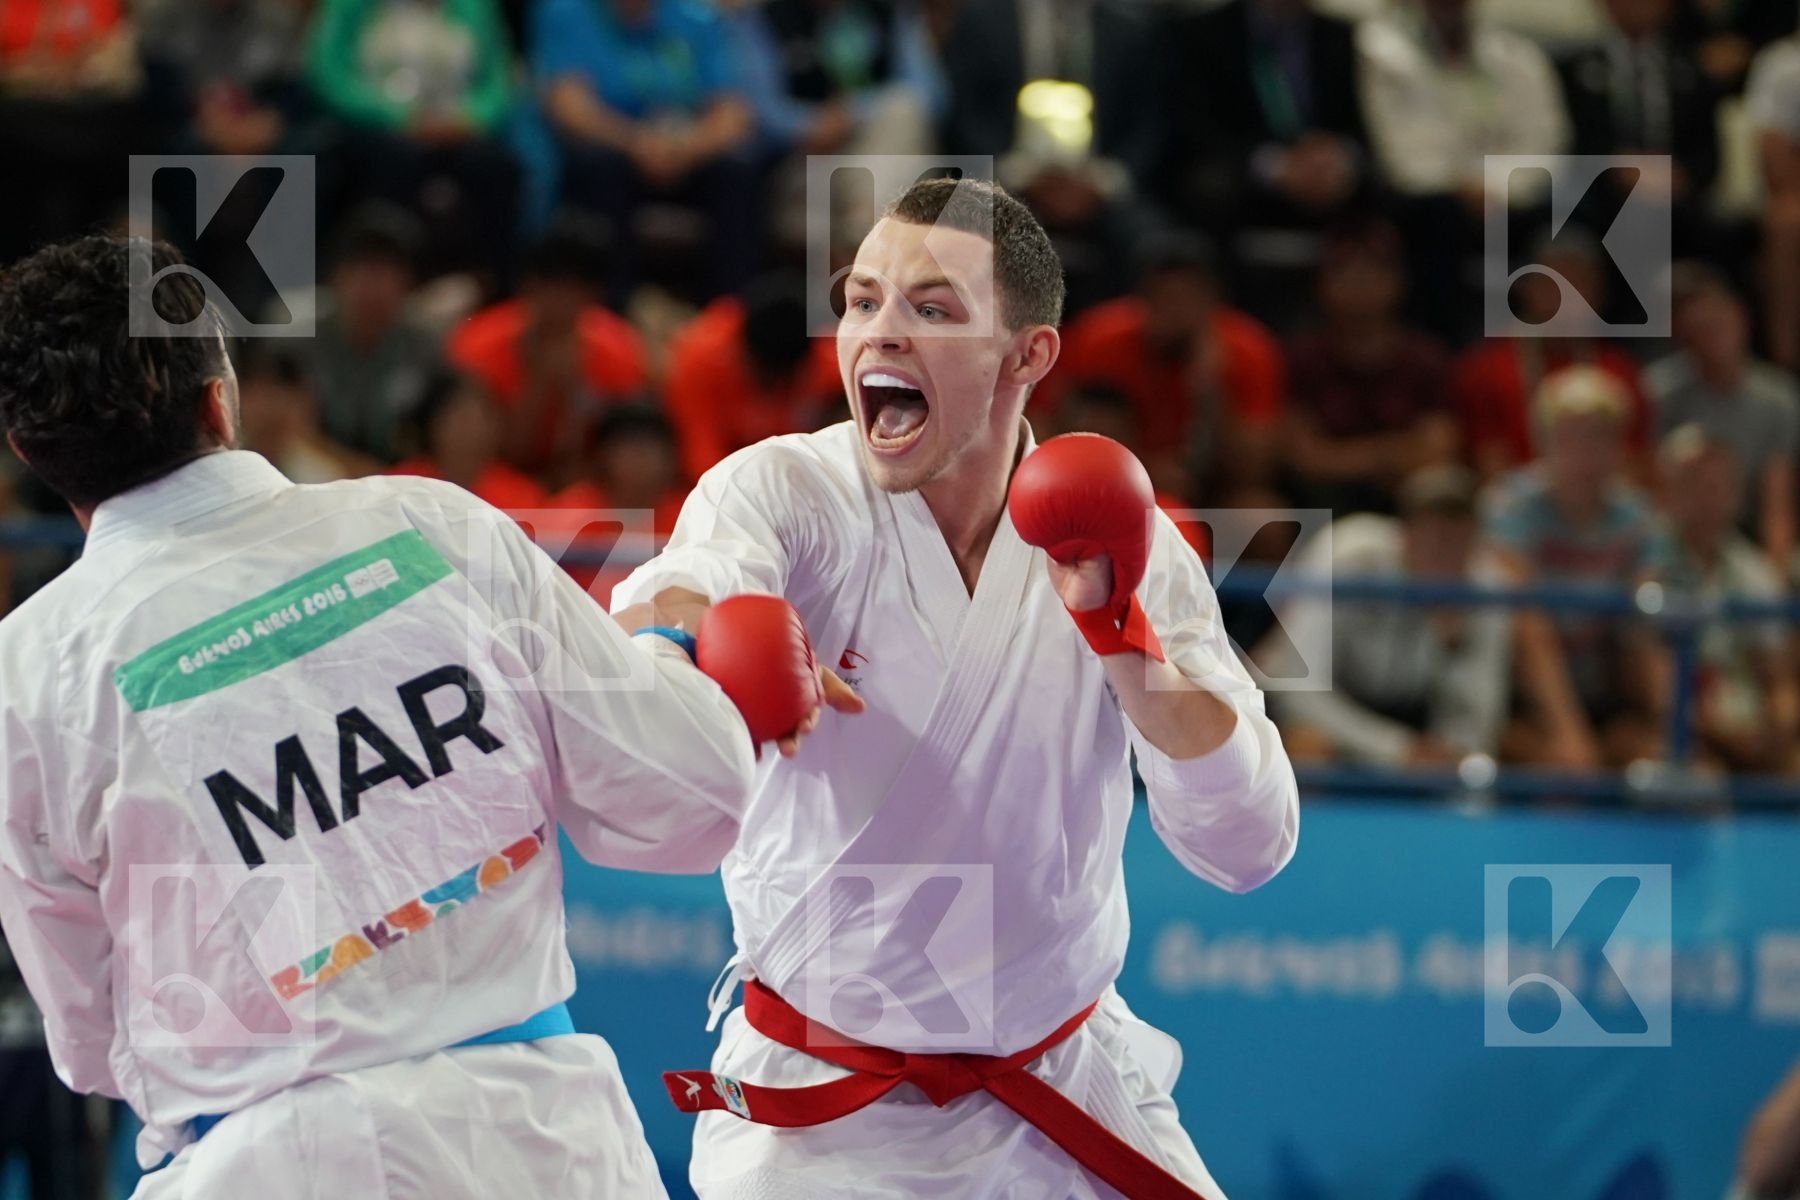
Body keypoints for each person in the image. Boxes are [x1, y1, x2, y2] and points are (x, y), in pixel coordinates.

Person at [0, 236, 821, 1197]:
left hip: (252, 1161)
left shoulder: (28, 678)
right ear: (218, 396)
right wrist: (668, 645)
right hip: (539, 1146)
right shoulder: (433, 528)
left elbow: (92, 1044)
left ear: (29, 449)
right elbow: (686, 795)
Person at [612, 177, 1297, 1198]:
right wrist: (703, 654)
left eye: (932, 310)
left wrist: (1123, 639)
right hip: (823, 1120)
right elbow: (674, 595)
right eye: (862, 301)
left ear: (1028, 356)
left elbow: (1249, 848)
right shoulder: (787, 493)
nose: (880, 335)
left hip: (1064, 1086)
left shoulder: (1121, 533)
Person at [1265, 464, 1512, 767]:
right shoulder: (1347, 557)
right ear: (1404, 532)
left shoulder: (1485, 586)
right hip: (1326, 707)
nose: (1444, 547)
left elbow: (1479, 712)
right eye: (1433, 530)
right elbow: (1302, 690)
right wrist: (1397, 749)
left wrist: (1449, 751)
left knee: (1473, 766)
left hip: (1413, 717)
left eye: (1458, 533)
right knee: (1308, 745)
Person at [1483, 364, 1661, 770]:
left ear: (1620, 446)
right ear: (1544, 442)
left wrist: (1673, 727)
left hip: (1605, 687)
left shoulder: (1638, 518)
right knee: (1565, 770)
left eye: (1600, 436)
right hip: (1523, 696)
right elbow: (1528, 628)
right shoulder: (1510, 506)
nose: (1586, 453)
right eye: (1571, 436)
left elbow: (1645, 632)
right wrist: (1567, 728)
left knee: (1662, 764)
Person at [1030, 230, 1286, 504]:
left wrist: (1212, 389)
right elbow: (1042, 430)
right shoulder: (1097, 340)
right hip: (1111, 481)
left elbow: (1254, 471)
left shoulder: (1248, 350)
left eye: (1188, 296)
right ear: (1140, 297)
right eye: (1163, 295)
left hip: (1214, 492)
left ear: (1215, 298)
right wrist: (1145, 469)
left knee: (1261, 515)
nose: (1176, 309)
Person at [534, 0, 760, 304]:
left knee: (738, 169)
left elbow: (732, 111)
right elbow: (568, 105)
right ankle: (614, 310)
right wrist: (636, 143)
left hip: (685, 152)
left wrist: (688, 148)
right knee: (600, 167)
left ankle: (727, 312)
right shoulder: (567, 13)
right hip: (615, 148)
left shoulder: (698, 17)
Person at [306, 0, 523, 287]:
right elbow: (328, 71)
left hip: (455, 128)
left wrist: (470, 118)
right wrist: (398, 117)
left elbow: (498, 79)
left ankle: (491, 288)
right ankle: (378, 279)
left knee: (498, 168)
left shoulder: (475, 6)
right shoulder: (349, 6)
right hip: (375, 127)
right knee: (391, 160)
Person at [447, 216, 651, 487]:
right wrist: (538, 385)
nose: (561, 301)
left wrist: (573, 399)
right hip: (488, 486)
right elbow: (473, 453)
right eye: (552, 285)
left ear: (594, 294)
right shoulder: (477, 346)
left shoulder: (620, 352)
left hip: (586, 495)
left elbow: (618, 457)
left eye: (575, 288)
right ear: (528, 285)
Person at [1643, 425, 1798, 773]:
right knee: (1690, 774)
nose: (1710, 497)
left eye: (1721, 486)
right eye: (1695, 484)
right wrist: (1712, 732)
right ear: (1667, 492)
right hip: (1672, 726)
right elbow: (1647, 679)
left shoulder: (1754, 572)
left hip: (1745, 725)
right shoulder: (1646, 565)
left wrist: (1780, 726)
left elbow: (1779, 679)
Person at [1281, 220, 1457, 516]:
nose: (1359, 284)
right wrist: (1389, 454)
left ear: (1397, 282)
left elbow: (1439, 451)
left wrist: (1345, 457)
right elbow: (1304, 458)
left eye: (1372, 272)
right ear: (1323, 283)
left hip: (1406, 504)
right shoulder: (1301, 358)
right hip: (1318, 503)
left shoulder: (1426, 359)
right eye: (1346, 272)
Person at [1644, 262, 1799, 570]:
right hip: (1674, 534)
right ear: (1682, 336)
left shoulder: (1778, 397)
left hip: (1745, 535)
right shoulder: (1658, 393)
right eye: (1699, 330)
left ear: (1741, 318)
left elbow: (1776, 502)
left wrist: (1774, 577)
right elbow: (1650, 486)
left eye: (1718, 323)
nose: (1713, 338)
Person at [286, 204, 444, 465]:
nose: (372, 285)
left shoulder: (425, 345)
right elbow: (284, 427)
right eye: (360, 269)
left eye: (386, 272)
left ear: (408, 282)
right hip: (312, 475)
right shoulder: (297, 336)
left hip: (400, 478)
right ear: (336, 276)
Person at [663, 272, 844, 483]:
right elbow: (700, 456)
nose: (773, 385)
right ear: (745, 353)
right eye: (766, 375)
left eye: (783, 378)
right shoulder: (698, 359)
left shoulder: (830, 361)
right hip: (724, 479)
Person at [388, 368, 551, 510]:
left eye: (484, 416)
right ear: (433, 423)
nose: (474, 430)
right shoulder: (400, 487)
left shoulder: (524, 497)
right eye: (463, 418)